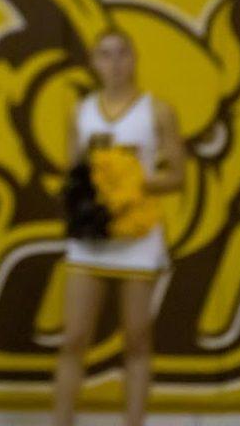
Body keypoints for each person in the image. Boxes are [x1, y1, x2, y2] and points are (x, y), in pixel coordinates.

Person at [51, 29, 185, 426]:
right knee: (74, 337)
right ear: (93, 62)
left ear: (135, 58)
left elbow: (177, 175)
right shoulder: (81, 111)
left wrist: (130, 180)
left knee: (138, 339)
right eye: (105, 55)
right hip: (91, 238)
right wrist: (91, 192)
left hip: (138, 237)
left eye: (122, 53)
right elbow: (73, 175)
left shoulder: (158, 111)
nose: (114, 63)